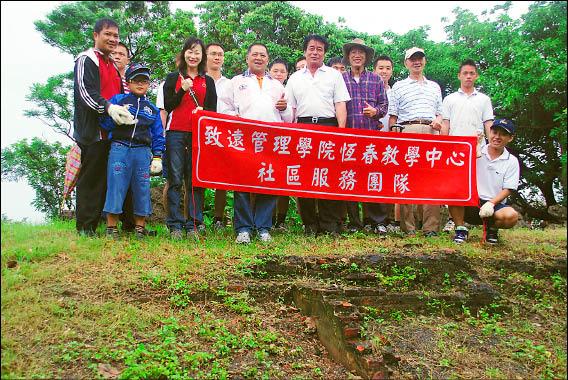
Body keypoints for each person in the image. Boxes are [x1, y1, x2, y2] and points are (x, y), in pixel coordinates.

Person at [219, 43, 293, 244]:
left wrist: (285, 108)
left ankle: (263, 228)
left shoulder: (277, 85)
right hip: (243, 139)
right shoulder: (236, 81)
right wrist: (237, 120)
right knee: (242, 182)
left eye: (263, 55)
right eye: (255, 55)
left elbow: (287, 117)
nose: (258, 58)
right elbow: (224, 107)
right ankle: (243, 228)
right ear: (247, 58)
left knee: (267, 181)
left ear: (267, 60)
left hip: (270, 141)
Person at [73, 18, 134, 236]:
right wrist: (107, 108)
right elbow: (85, 93)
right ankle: (85, 226)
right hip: (93, 130)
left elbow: (120, 96)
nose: (112, 39)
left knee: (113, 176)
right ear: (95, 35)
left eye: (116, 36)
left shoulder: (112, 66)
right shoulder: (86, 59)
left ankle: (119, 223)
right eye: (108, 34)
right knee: (92, 177)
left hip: (114, 131)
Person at [285, 34, 351, 235]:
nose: (315, 52)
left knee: (327, 176)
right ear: (305, 51)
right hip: (303, 128)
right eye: (311, 48)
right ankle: (309, 223)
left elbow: (340, 104)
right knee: (305, 176)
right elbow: (291, 108)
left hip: (328, 127)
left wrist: (341, 131)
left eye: (319, 49)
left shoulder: (334, 75)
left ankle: (329, 224)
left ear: (324, 52)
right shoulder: (295, 78)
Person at [100, 63, 165, 239]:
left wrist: (157, 157)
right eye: (136, 80)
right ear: (128, 82)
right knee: (116, 185)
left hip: (142, 151)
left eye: (144, 80)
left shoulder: (151, 108)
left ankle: (140, 228)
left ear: (148, 85)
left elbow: (158, 134)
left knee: (142, 187)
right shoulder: (118, 100)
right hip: (119, 148)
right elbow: (104, 123)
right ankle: (111, 227)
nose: (140, 83)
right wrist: (116, 118)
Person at [163, 37, 217, 240]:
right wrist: (182, 90)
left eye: (197, 52)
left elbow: (213, 111)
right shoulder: (172, 78)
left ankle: (194, 222)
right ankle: (175, 224)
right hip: (175, 132)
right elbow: (168, 105)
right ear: (183, 53)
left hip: (198, 135)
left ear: (202, 57)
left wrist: (204, 112)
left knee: (195, 180)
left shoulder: (208, 81)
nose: (193, 56)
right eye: (190, 51)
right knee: (175, 179)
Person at [388, 47, 443, 237]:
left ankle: (431, 228)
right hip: (407, 129)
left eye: (420, 58)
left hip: (430, 129)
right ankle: (408, 227)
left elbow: (439, 112)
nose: (416, 62)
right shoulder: (399, 86)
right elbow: (393, 117)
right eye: (412, 59)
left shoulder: (434, 86)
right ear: (406, 63)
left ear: (425, 61)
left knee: (431, 179)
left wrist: (438, 120)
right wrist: (395, 137)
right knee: (406, 179)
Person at [341, 38, 390, 236]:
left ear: (366, 57)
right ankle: (354, 221)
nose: (357, 55)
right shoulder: (341, 79)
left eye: (361, 53)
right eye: (353, 52)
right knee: (350, 178)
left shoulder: (376, 79)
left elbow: (384, 106)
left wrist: (375, 111)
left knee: (372, 177)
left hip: (371, 137)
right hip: (349, 137)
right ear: (348, 56)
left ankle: (377, 221)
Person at [442, 59, 495, 240]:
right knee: (455, 188)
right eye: (465, 73)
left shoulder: (484, 99)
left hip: (478, 150)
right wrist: (443, 147)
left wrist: (490, 147)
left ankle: (489, 226)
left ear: (476, 76)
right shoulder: (449, 99)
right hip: (455, 152)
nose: (468, 76)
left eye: (472, 73)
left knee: (481, 187)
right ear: (459, 76)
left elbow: (489, 124)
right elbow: (445, 125)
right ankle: (459, 226)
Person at [452, 119, 519, 244]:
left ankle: (492, 230)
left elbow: (509, 188)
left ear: (510, 138)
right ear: (489, 133)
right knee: (453, 191)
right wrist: (472, 147)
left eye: (503, 134)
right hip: (470, 202)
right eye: (494, 132)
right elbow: (457, 168)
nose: (497, 137)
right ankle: (460, 229)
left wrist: (491, 203)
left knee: (511, 216)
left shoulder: (512, 161)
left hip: (493, 205)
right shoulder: (477, 150)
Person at [373, 54, 401, 233]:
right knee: (373, 179)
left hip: (391, 141)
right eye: (380, 68)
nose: (384, 71)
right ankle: (372, 219)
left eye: (387, 68)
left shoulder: (395, 91)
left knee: (390, 180)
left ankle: (390, 219)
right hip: (372, 140)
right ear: (374, 70)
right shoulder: (370, 88)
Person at [206, 42, 232, 230]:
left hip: (224, 135)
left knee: (222, 178)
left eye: (220, 54)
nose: (217, 57)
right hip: (201, 133)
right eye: (213, 54)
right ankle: (193, 219)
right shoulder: (197, 80)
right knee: (194, 176)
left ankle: (218, 218)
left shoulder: (230, 84)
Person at [268, 58, 293, 230]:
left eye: (282, 71)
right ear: (269, 72)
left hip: (286, 140)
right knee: (268, 178)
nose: (278, 74)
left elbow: (291, 117)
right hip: (267, 139)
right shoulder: (264, 88)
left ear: (287, 74)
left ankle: (281, 220)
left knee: (283, 181)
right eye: (275, 70)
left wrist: (285, 108)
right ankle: (266, 218)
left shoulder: (289, 90)